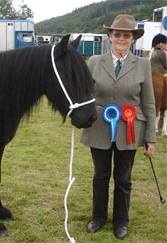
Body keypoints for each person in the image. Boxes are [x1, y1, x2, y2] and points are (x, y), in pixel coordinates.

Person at [81, 14, 156, 240]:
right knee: (100, 176)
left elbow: (149, 103)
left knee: (123, 179)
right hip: (99, 129)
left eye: (126, 35)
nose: (121, 38)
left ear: (133, 39)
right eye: (117, 34)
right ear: (110, 36)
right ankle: (98, 218)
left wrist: (150, 138)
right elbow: (84, 96)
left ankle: (121, 222)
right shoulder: (94, 61)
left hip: (131, 130)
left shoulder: (143, 64)